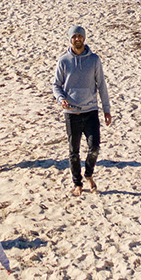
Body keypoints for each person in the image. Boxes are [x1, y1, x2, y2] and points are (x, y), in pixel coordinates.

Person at [52, 24, 112, 196]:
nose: (77, 39)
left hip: (91, 111)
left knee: (94, 148)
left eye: (80, 36)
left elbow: (101, 85)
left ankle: (89, 174)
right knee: (74, 152)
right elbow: (56, 85)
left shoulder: (94, 60)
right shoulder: (63, 61)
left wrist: (106, 109)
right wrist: (61, 98)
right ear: (70, 39)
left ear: (84, 38)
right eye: (74, 36)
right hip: (71, 113)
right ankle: (77, 183)